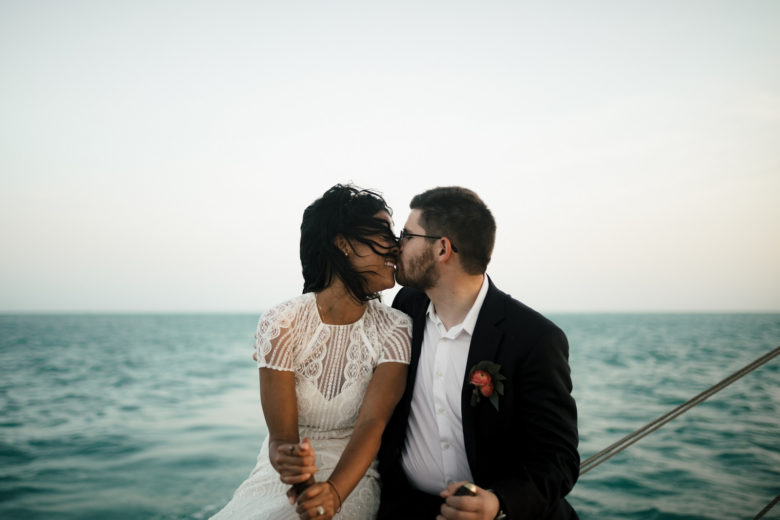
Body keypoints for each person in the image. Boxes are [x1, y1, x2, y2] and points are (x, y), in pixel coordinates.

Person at [377, 187, 579, 520]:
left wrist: (499, 503)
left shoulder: (535, 338)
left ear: (442, 248)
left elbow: (558, 460)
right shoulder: (405, 308)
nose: (398, 245)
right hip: (408, 509)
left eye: (407, 235)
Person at [212, 184, 412, 520]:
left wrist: (332, 493)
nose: (396, 246)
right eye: (383, 232)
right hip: (279, 480)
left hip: (353, 477)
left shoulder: (396, 328)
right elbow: (281, 440)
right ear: (343, 243)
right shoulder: (282, 322)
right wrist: (296, 470)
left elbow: (372, 425)